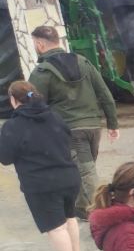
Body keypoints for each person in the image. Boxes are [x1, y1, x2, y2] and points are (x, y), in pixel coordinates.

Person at [28, 25, 119, 220]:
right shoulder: (83, 62)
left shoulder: (42, 71)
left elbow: (34, 105)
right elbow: (104, 93)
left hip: (69, 130)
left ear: (40, 44)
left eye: (34, 43)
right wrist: (112, 123)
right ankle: (82, 208)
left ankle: (105, 215)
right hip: (93, 127)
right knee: (81, 169)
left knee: (86, 173)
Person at [0, 81, 82, 251]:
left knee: (56, 227)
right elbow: (68, 138)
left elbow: (5, 157)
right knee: (70, 218)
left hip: (42, 184)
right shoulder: (54, 116)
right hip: (69, 176)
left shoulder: (13, 126)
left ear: (13, 99)